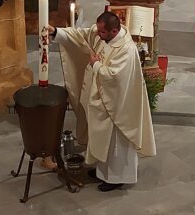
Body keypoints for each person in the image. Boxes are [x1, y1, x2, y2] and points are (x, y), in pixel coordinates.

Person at [48, 12, 156, 192]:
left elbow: (114, 77)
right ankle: (102, 171)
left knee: (115, 144)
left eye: (102, 32)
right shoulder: (102, 35)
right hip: (103, 101)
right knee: (101, 139)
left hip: (118, 106)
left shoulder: (126, 50)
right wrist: (56, 32)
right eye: (98, 30)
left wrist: (95, 65)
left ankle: (117, 178)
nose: (98, 35)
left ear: (114, 30)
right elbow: (82, 35)